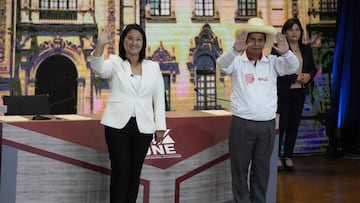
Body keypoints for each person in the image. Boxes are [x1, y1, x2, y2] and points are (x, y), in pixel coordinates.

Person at [216, 17, 299, 203]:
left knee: (261, 170)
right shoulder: (237, 62)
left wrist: (287, 53)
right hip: (242, 124)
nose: (256, 43)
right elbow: (222, 64)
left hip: (267, 125)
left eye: (260, 40)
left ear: (265, 42)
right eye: (252, 39)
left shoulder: (272, 62)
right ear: (245, 41)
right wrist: (234, 50)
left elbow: (293, 67)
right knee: (240, 170)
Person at [90, 23, 167, 203]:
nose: (134, 43)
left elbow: (159, 100)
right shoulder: (115, 62)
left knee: (135, 173)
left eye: (138, 39)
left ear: (143, 43)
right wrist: (100, 45)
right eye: (130, 38)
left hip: (144, 127)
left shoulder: (153, 67)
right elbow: (99, 69)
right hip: (117, 125)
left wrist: (160, 127)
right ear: (123, 41)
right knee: (120, 171)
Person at [275, 18, 317, 172]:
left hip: (299, 93)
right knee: (282, 125)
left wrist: (308, 76)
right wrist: (295, 77)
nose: (294, 32)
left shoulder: (306, 49)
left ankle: (288, 156)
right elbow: (277, 71)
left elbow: (312, 68)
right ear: (285, 32)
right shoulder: (278, 49)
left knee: (294, 125)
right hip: (284, 93)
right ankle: (277, 157)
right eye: (291, 29)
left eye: (297, 29)